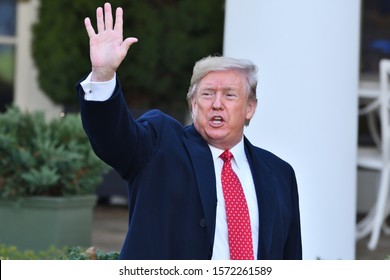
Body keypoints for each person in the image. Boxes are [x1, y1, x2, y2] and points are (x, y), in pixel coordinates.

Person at [77, 2, 302, 260]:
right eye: (207, 94)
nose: (217, 103)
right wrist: (104, 74)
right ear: (193, 104)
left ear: (250, 108)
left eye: (230, 95)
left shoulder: (280, 174)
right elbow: (113, 139)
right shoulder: (160, 145)